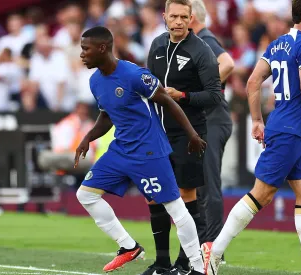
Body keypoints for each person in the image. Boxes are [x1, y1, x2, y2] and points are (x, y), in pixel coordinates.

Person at [202, 1, 301, 275]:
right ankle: (215, 250)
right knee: (262, 194)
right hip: (289, 131)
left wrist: (257, 119)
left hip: (288, 129)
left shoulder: (277, 44)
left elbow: (253, 81)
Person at [74, 26, 207, 275]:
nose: (82, 54)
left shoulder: (134, 75)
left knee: (175, 208)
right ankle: (128, 246)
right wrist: (88, 137)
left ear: (102, 48)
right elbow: (107, 115)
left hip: (148, 152)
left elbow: (167, 101)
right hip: (121, 150)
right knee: (86, 194)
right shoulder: (95, 81)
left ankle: (199, 268)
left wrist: (192, 134)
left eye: (85, 49)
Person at [143, 0, 222, 274]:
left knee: (186, 196)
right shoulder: (156, 46)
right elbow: (147, 86)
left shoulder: (202, 51)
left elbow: (214, 96)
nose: (178, 21)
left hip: (188, 134)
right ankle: (162, 263)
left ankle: (186, 262)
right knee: (155, 196)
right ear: (164, 16)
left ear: (191, 18)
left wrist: (183, 96)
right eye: (173, 16)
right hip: (157, 134)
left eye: (183, 17)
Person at [188, 0, 235, 257]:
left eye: (182, 15)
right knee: (201, 183)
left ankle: (214, 247)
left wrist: (202, 90)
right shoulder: (198, 41)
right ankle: (206, 243)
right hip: (209, 119)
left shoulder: (205, 38)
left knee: (209, 182)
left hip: (214, 117)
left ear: (191, 16)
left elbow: (227, 63)